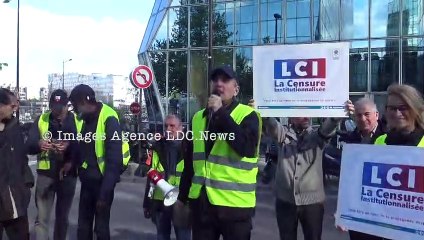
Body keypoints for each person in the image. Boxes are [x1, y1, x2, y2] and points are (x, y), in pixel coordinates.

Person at [177, 65, 262, 240]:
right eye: (215, 80)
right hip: (202, 205)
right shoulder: (198, 118)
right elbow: (190, 162)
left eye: (225, 80)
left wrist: (220, 113)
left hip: (235, 207)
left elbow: (245, 148)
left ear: (236, 89)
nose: (219, 84)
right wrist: (182, 198)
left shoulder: (248, 115)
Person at [256, 99, 353, 240]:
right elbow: (272, 126)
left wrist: (337, 115)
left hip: (312, 204)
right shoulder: (283, 134)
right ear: (291, 117)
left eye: (308, 113)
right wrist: (261, 110)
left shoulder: (316, 136)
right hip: (285, 201)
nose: (306, 117)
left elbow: (327, 129)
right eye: (301, 114)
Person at [69, 84, 130, 240]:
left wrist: (104, 194)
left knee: (101, 229)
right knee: (83, 227)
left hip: (102, 183)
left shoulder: (109, 118)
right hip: (87, 183)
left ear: (83, 102)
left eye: (75, 105)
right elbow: (82, 149)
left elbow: (114, 160)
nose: (74, 110)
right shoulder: (84, 119)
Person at [26, 89, 82, 240]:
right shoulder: (41, 119)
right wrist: (39, 144)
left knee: (62, 218)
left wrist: (69, 147)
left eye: (61, 108)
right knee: (42, 219)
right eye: (54, 107)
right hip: (46, 175)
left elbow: (85, 148)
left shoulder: (78, 121)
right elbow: (29, 145)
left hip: (68, 175)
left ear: (67, 106)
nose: (57, 111)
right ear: (50, 105)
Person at [335, 98, 386, 240]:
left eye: (367, 114)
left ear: (376, 115)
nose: (363, 119)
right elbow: (346, 179)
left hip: (383, 208)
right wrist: (342, 212)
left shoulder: (390, 137)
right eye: (358, 115)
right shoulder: (351, 139)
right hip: (358, 212)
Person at [143, 114, 191, 240]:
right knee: (162, 236)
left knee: (183, 236)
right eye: (166, 126)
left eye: (172, 126)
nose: (168, 129)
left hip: (182, 201)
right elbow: (151, 178)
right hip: (160, 202)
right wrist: (147, 203)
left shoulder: (190, 148)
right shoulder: (157, 147)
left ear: (181, 128)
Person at [0, 88, 33, 240]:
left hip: (16, 201)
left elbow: (22, 160)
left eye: (17, 105)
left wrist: (26, 184)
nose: (16, 108)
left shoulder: (14, 128)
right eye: (12, 106)